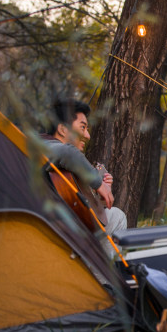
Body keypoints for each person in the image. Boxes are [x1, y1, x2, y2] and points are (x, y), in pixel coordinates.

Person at [41, 98, 128, 236]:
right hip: (50, 229)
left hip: (63, 224)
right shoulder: (43, 145)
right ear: (62, 129)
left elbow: (74, 204)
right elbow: (68, 153)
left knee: (113, 215)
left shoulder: (61, 165)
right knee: (117, 216)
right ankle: (103, 259)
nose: (87, 135)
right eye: (83, 127)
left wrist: (99, 201)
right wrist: (98, 183)